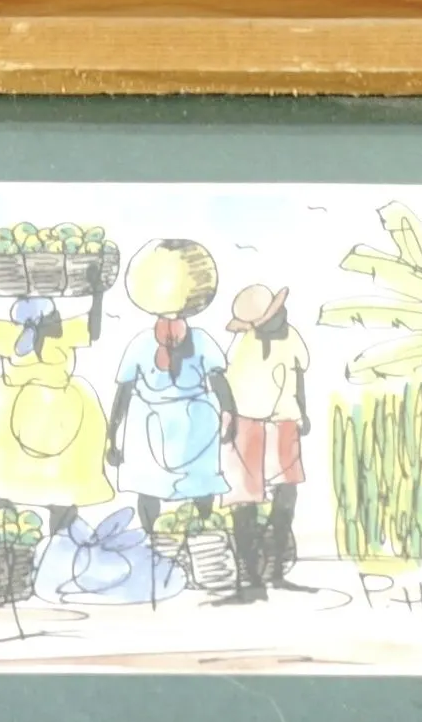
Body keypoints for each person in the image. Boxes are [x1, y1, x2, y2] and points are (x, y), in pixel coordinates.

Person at [107, 243, 233, 542]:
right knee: (148, 486)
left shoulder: (202, 341)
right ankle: (153, 540)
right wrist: (111, 436)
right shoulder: (140, 344)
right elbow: (123, 391)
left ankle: (203, 537)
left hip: (196, 426)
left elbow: (219, 381)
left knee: (202, 485)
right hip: (147, 427)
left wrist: (230, 415)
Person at [0, 283, 112, 537]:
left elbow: (93, 329)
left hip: (56, 412)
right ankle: (11, 539)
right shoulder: (15, 334)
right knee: (3, 473)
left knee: (62, 482)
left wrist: (97, 293)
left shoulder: (58, 333)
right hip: (20, 411)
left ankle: (60, 541)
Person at [216, 284, 311, 601]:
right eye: (274, 313)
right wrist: (228, 420)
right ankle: (251, 579)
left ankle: (276, 571)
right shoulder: (242, 346)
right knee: (244, 501)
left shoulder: (293, 337)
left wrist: (303, 412)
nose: (282, 315)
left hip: (284, 421)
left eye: (279, 310)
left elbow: (298, 375)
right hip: (245, 424)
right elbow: (225, 383)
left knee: (287, 495)